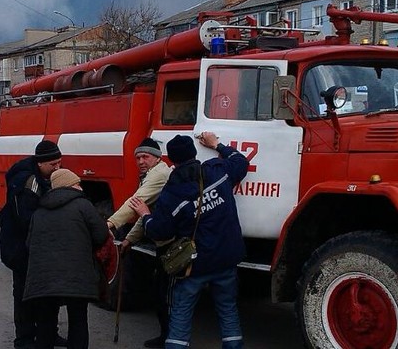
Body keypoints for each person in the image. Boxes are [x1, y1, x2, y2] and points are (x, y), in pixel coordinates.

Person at [129, 132, 247, 349]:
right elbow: (240, 161)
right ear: (194, 153)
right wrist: (217, 145)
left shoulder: (172, 192)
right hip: (226, 258)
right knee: (228, 310)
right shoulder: (217, 171)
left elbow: (159, 231)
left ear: (171, 159)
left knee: (181, 314)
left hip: (195, 266)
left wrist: (145, 215)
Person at [24, 169, 109, 349]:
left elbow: (30, 243)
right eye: (78, 183)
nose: (80, 187)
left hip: (44, 278)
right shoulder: (84, 205)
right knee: (78, 319)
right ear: (70, 185)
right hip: (76, 275)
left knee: (46, 322)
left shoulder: (39, 210)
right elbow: (101, 234)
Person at [0, 140, 67, 348]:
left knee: (47, 295)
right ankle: (25, 339)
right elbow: (26, 220)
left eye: (59, 163)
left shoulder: (42, 177)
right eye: (53, 165)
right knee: (25, 295)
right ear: (40, 164)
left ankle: (48, 333)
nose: (57, 168)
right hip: (22, 249)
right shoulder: (27, 182)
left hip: (36, 247)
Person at [106, 137, 172, 348]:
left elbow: (136, 203)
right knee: (162, 291)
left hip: (170, 240)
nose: (141, 161)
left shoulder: (159, 175)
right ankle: (167, 335)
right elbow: (145, 213)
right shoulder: (152, 174)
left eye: (146, 156)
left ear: (157, 157)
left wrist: (110, 223)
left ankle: (170, 338)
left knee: (166, 293)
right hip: (162, 234)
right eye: (138, 157)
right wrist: (129, 239)